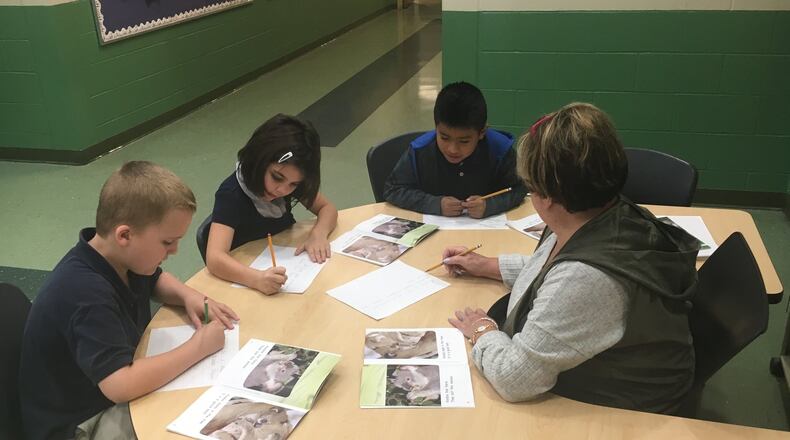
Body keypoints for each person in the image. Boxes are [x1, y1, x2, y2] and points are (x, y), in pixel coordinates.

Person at [443, 103, 701, 414]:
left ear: (548, 197)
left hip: (623, 412)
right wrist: (487, 265)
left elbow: (514, 379)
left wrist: (482, 330)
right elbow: (552, 269)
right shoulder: (602, 211)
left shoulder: (585, 278)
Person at [18, 161, 239, 440]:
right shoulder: (85, 293)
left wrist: (189, 295)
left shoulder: (117, 257)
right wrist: (198, 347)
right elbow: (120, 384)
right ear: (124, 235)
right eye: (167, 242)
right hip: (80, 423)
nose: (174, 250)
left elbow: (155, 280)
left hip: (103, 393)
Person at [206, 114, 338, 294]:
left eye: (294, 184)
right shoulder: (231, 195)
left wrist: (318, 234)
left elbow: (327, 208)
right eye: (276, 177)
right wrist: (256, 279)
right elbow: (214, 258)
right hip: (249, 280)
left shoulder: (290, 177)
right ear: (259, 161)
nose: (282, 190)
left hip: (287, 266)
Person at [383, 81, 527, 218]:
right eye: (444, 138)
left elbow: (520, 188)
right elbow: (393, 189)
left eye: (464, 141)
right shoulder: (420, 150)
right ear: (436, 128)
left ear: (482, 132)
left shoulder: (499, 149)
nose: (452, 149)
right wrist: (435, 204)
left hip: (487, 231)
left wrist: (490, 205)